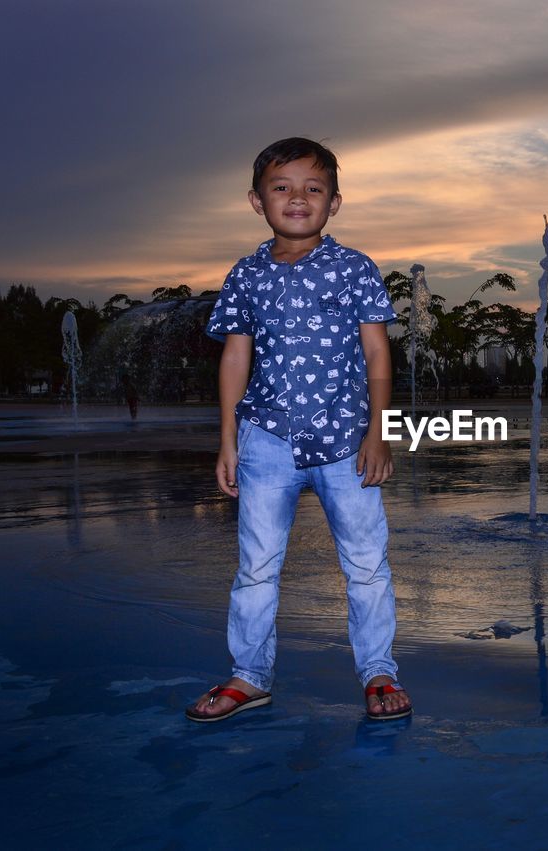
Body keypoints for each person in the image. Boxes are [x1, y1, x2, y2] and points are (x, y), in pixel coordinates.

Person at [187, 137, 411, 724]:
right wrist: (229, 440)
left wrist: (379, 432)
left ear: (334, 203)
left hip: (346, 442)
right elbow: (235, 358)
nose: (297, 198)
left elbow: (377, 355)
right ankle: (249, 675)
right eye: (281, 187)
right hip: (266, 441)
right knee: (257, 565)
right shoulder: (246, 274)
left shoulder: (354, 268)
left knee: (366, 563)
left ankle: (378, 671)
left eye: (314, 188)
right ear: (257, 201)